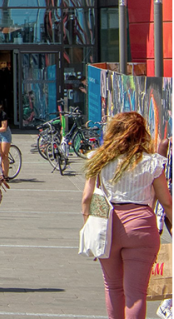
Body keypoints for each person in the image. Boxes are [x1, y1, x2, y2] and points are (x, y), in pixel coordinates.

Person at [83, 111, 173, 319]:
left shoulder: (98, 159)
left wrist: (90, 227)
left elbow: (87, 198)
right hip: (141, 226)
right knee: (136, 293)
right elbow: (167, 202)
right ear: (142, 134)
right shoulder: (152, 163)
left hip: (107, 225)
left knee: (113, 287)